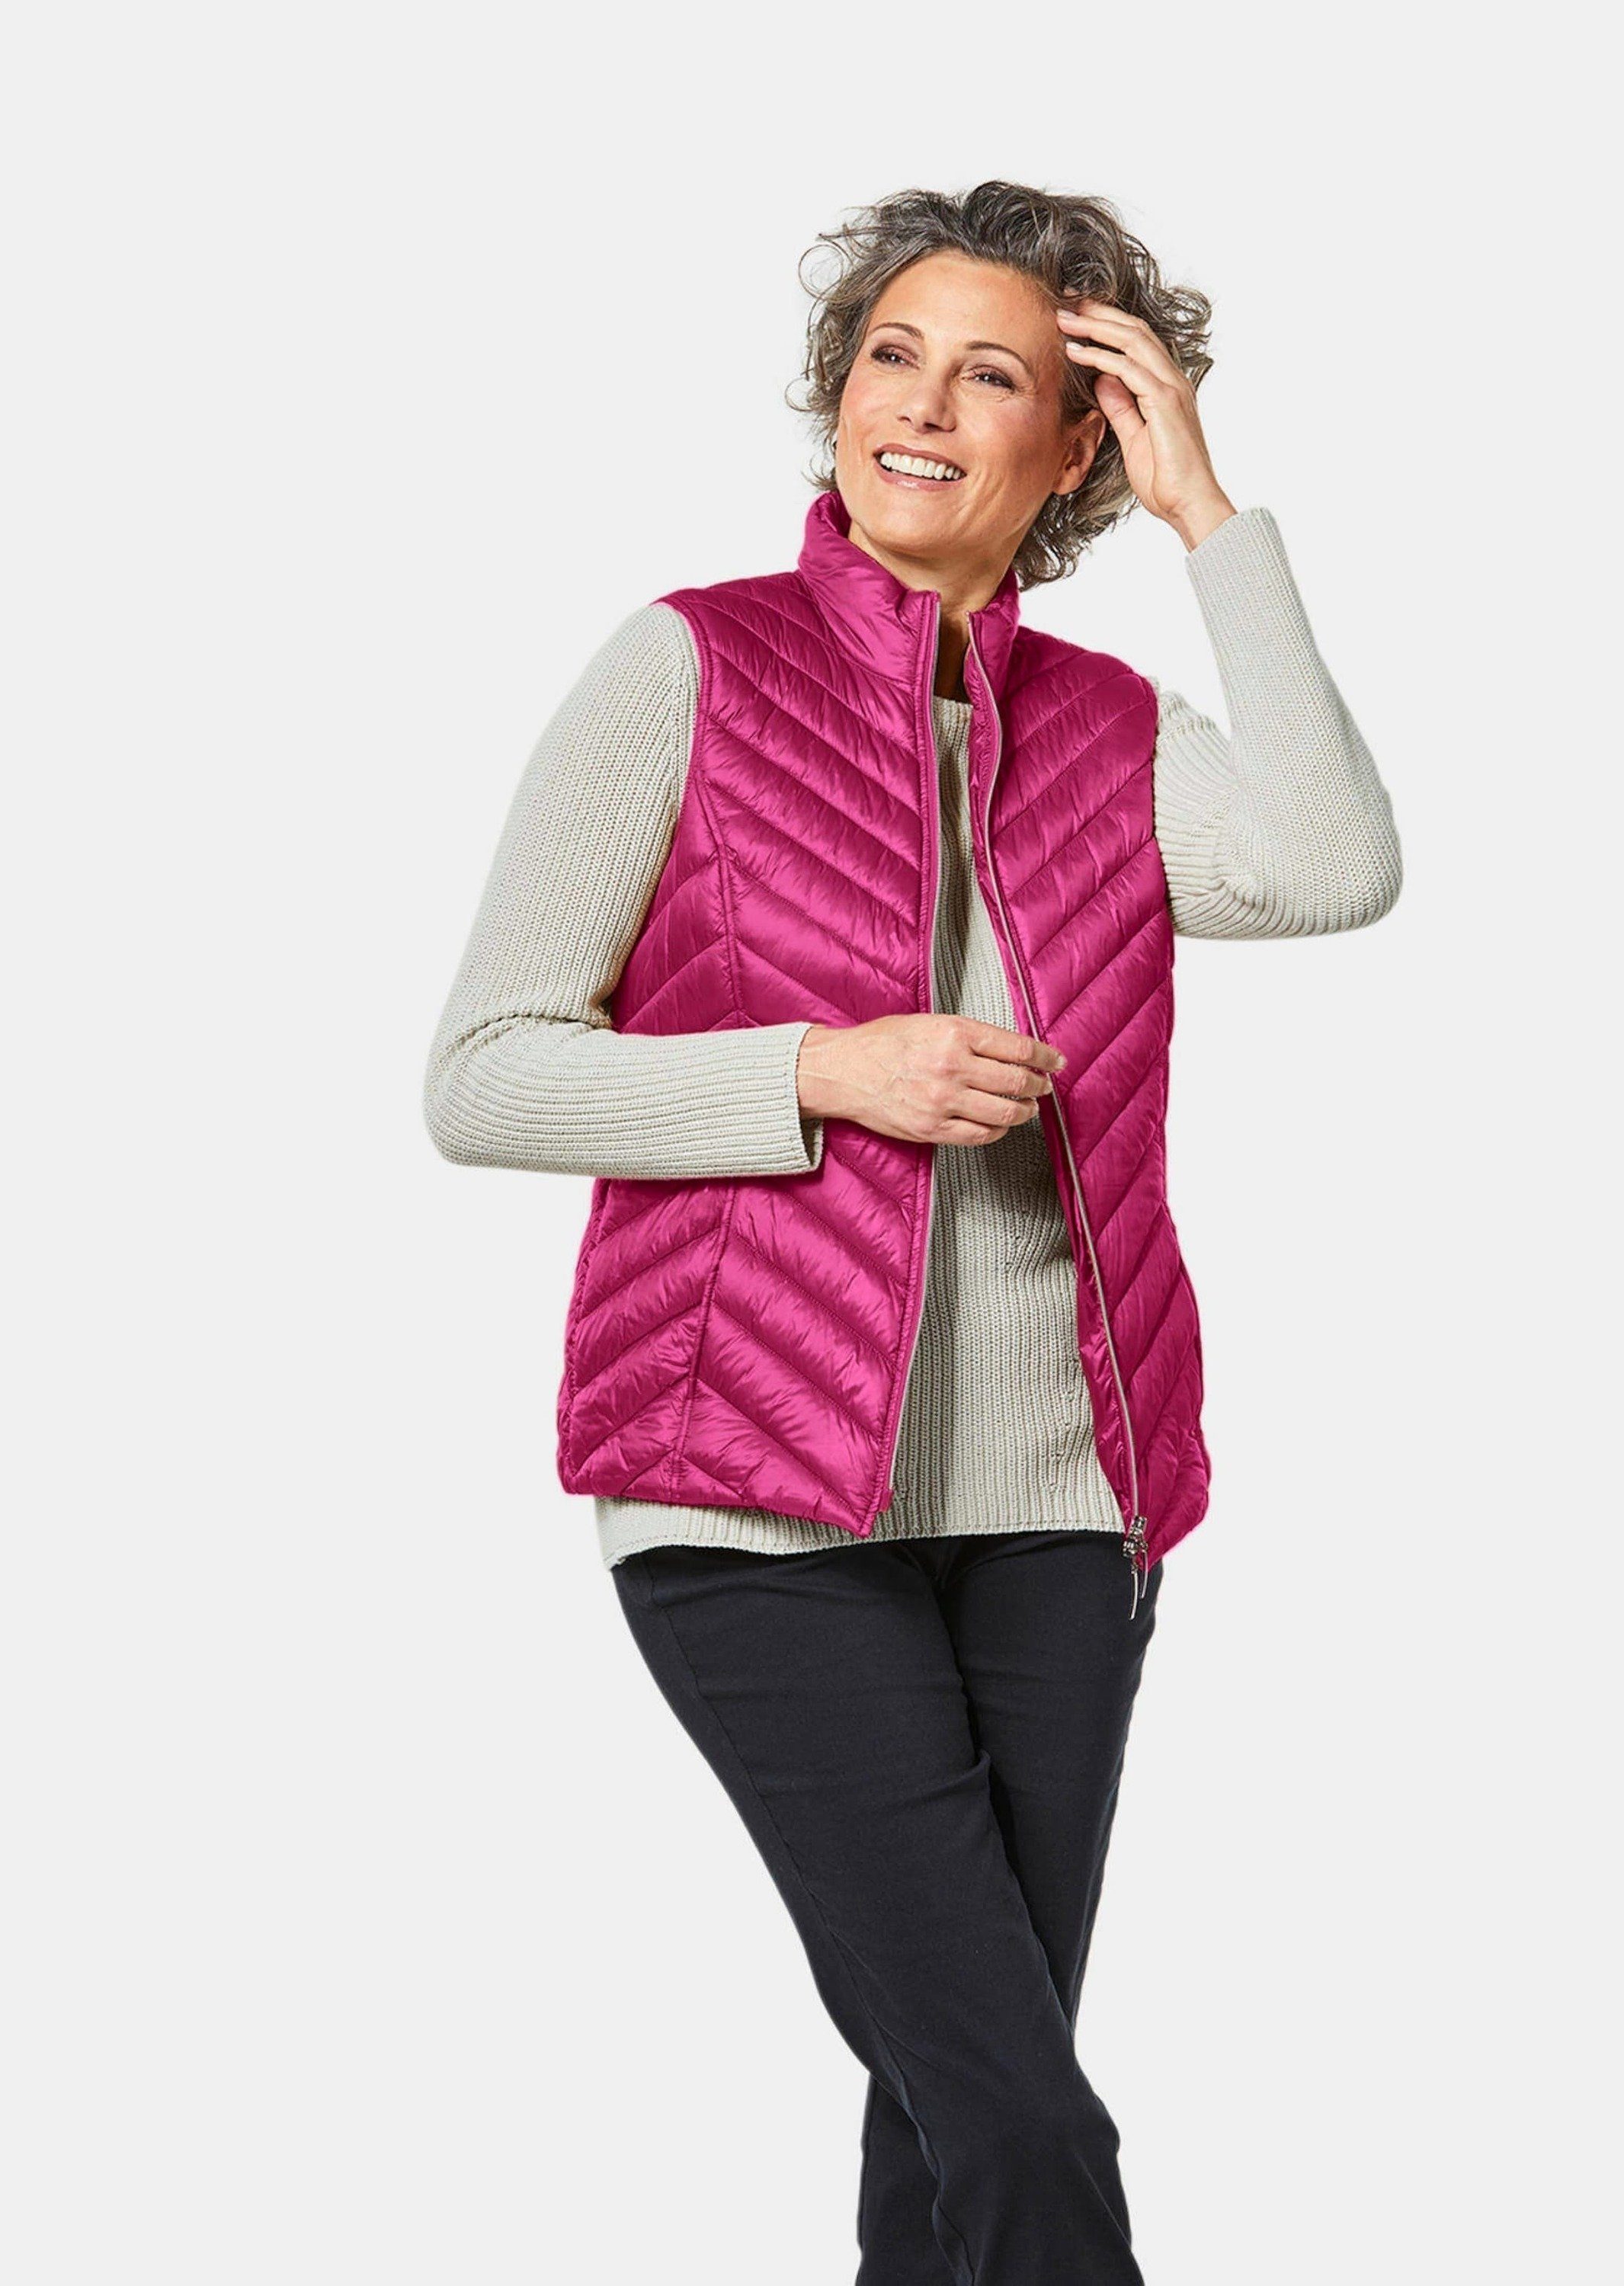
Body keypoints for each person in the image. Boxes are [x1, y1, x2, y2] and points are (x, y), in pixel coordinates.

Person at [424, 180, 1402, 2284]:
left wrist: (1212, 522)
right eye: (890, 356)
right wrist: (814, 1071)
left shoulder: (1110, 732)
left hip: (1066, 1506)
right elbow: (483, 1073)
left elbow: (1332, 866)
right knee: (1022, 2115)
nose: (922, 407)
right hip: (750, 1503)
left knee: (952, 2116)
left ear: (1076, 445)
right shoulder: (690, 668)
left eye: (994, 376)